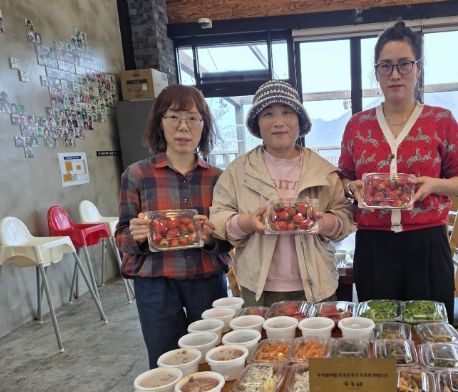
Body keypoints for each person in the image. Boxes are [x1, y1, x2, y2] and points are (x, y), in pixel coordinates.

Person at [338, 22, 458, 322]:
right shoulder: (358, 125)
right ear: (377, 72)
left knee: (430, 331)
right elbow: (344, 175)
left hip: (426, 243)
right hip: (374, 246)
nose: (395, 74)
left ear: (418, 68)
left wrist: (434, 185)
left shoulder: (440, 120)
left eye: (404, 64)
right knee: (380, 330)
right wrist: (352, 187)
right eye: (386, 66)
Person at [115, 85, 232, 368]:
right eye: (174, 117)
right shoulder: (137, 175)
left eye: (192, 118)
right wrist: (137, 236)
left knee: (212, 359)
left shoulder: (218, 178)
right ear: (160, 121)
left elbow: (229, 238)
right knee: (165, 360)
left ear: (204, 125)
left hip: (206, 281)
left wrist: (211, 238)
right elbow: (121, 235)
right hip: (155, 285)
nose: (183, 127)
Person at [210, 80, 355, 307]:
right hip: (258, 288)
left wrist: (324, 223)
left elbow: (345, 217)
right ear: (257, 123)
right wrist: (247, 222)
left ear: (300, 121)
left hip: (317, 286)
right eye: (268, 114)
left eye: (287, 112)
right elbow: (218, 218)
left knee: (319, 332)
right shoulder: (238, 171)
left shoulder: (322, 170)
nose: (278, 122)